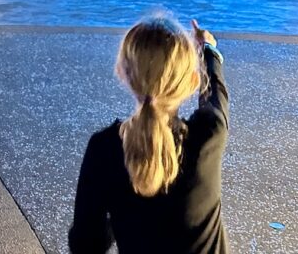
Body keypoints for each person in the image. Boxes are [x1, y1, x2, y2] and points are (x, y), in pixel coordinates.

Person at [69, 15, 229, 254]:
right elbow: (214, 99)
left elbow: (86, 244)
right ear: (193, 81)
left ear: (122, 73)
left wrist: (122, 214)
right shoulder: (208, 135)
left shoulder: (104, 149)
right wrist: (208, 50)